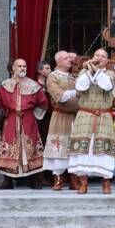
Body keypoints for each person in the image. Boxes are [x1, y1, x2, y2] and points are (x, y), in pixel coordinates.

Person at [68, 48, 115, 194]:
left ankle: (106, 182)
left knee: (104, 150)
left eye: (103, 56)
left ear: (107, 61)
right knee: (83, 150)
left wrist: (96, 71)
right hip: (85, 115)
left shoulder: (110, 74)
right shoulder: (83, 73)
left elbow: (107, 86)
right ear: (92, 57)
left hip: (103, 116)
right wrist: (89, 71)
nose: (100, 57)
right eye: (97, 55)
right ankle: (83, 182)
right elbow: (80, 87)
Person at [0, 58, 48, 189]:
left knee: (31, 149)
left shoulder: (34, 85)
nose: (22, 68)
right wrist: (8, 112)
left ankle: (34, 179)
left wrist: (35, 116)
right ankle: (7, 180)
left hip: (29, 119)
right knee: (9, 148)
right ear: (12, 68)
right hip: (12, 119)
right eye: (19, 66)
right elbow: (0, 102)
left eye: (24, 66)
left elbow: (43, 103)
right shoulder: (4, 85)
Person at [42, 51, 79, 191]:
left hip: (74, 117)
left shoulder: (74, 76)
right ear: (58, 62)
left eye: (70, 57)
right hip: (60, 116)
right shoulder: (52, 77)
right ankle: (58, 178)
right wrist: (76, 92)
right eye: (66, 58)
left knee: (74, 148)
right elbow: (60, 96)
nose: (70, 60)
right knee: (59, 147)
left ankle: (74, 178)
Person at [35, 60, 52, 146]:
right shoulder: (34, 85)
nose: (50, 70)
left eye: (50, 68)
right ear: (39, 71)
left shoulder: (51, 84)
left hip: (50, 115)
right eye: (47, 68)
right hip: (39, 116)